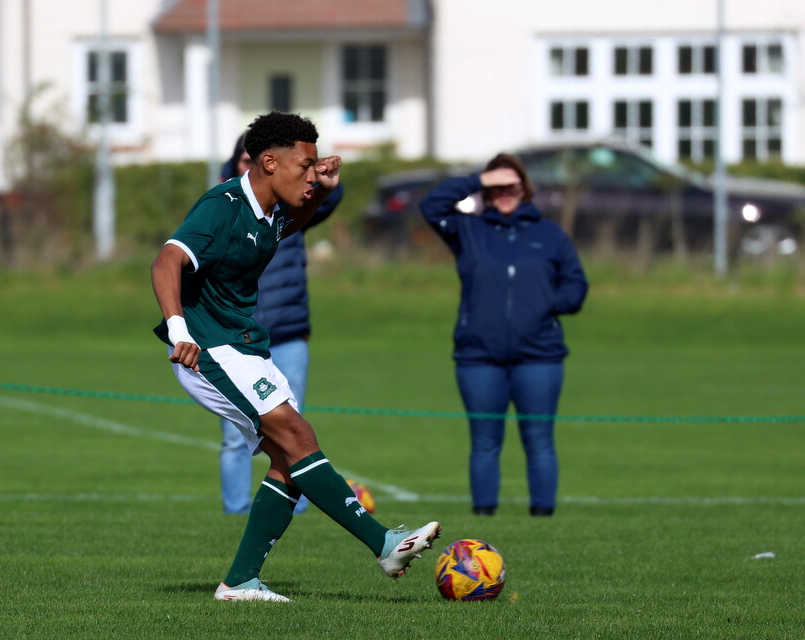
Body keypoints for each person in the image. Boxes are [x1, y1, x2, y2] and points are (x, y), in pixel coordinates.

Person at [151, 111, 440, 602]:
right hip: (208, 348)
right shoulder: (222, 205)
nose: (313, 174)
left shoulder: (270, 212)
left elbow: (293, 224)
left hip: (243, 345)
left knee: (289, 461)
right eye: (304, 166)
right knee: (297, 436)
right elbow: (166, 260)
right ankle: (384, 543)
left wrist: (323, 189)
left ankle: (240, 581)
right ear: (268, 161)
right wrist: (179, 329)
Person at [419, 153, 588, 517]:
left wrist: (546, 303)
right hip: (478, 357)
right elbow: (431, 205)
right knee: (484, 443)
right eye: (497, 186)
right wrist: (478, 179)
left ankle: (543, 518)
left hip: (540, 355)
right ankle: (485, 517)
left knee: (540, 441)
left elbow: (576, 286)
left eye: (512, 184)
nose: (506, 192)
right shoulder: (468, 230)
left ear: (525, 189)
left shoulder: (551, 235)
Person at [216, 134, 343, 516]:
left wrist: (315, 172)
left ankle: (294, 507)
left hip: (288, 335)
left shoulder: (289, 210)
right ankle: (236, 510)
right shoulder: (223, 210)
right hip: (236, 337)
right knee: (237, 435)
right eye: (242, 160)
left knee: (294, 427)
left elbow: (329, 198)